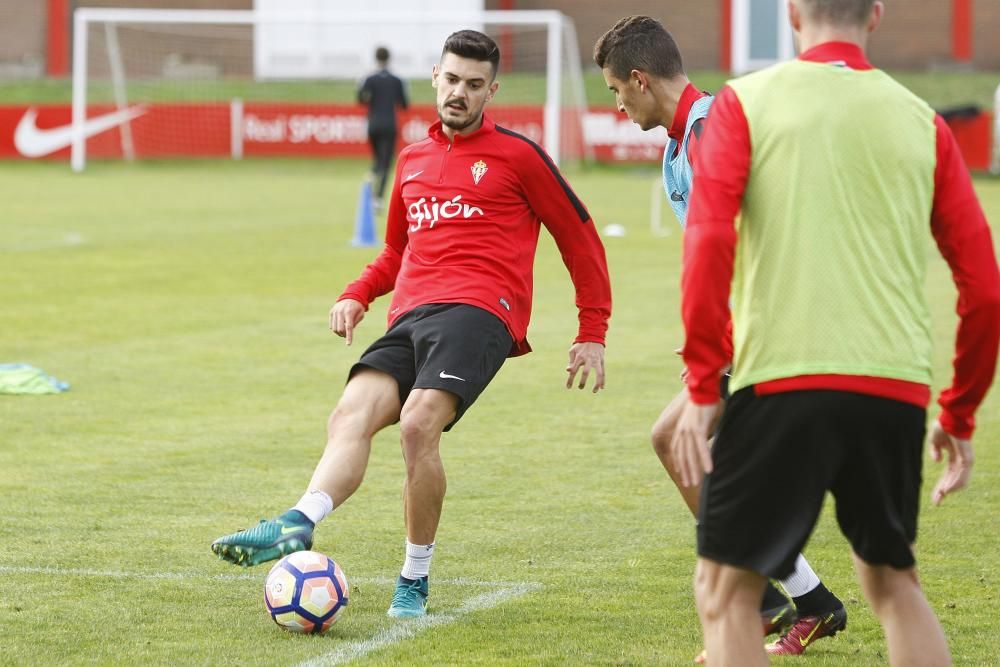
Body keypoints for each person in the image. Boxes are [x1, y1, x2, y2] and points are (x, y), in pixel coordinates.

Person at [212, 29, 612, 620]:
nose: (460, 93)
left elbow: (579, 237)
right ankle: (300, 522)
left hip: (481, 311)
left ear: (491, 91)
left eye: (474, 85)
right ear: (435, 77)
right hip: (412, 313)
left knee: (418, 424)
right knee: (349, 413)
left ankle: (413, 578)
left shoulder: (519, 156)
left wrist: (592, 331)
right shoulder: (412, 160)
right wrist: (358, 294)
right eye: (452, 80)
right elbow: (396, 252)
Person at [671, 0, 1000, 664]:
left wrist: (704, 381)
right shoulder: (922, 121)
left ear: (792, 12)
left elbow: (707, 242)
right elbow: (986, 289)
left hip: (783, 379)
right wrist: (958, 413)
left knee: (726, 591)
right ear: (876, 14)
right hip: (894, 388)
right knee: (893, 583)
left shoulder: (744, 103)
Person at [593, 15, 846, 659]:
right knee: (685, 448)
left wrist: (715, 348)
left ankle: (762, 603)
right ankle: (792, 600)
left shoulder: (709, 131)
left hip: (762, 331)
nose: (616, 104)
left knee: (708, 458)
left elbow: (734, 245)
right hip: (742, 331)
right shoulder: (682, 140)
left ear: (641, 79)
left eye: (617, 90)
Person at [358, 46, 409, 211]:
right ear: (389, 58)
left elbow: (360, 99)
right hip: (389, 124)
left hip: (373, 124)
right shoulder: (396, 80)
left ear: (376, 58)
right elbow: (404, 104)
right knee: (386, 164)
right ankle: (378, 199)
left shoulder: (369, 78)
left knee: (377, 160)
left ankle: (371, 177)